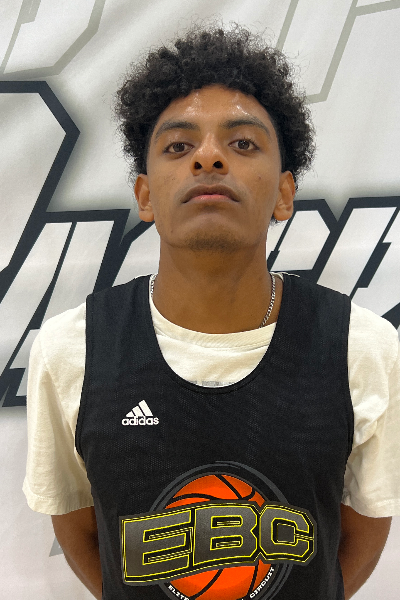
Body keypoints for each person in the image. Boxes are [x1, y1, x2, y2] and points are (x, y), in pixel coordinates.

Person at [23, 21, 400, 600]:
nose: (208, 158)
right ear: (145, 196)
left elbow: (362, 536)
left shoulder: (362, 346)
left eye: (242, 143)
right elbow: (79, 530)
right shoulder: (71, 349)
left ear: (284, 194)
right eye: (179, 146)